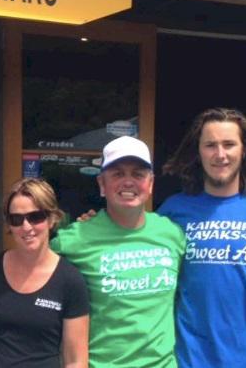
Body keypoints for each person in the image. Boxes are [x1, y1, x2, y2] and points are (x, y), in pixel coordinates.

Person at [156, 107, 246, 368]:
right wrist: (99, 224)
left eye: (229, 144)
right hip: (187, 358)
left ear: (243, 150)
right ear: (199, 151)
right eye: (210, 145)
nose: (220, 154)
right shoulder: (173, 210)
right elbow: (135, 248)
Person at [51, 136, 186, 367]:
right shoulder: (72, 240)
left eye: (138, 174)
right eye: (118, 174)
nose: (128, 182)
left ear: (151, 183)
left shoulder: (172, 234)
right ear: (102, 184)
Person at [0, 178, 89, 368]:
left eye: (35, 217)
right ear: (9, 225)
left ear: (52, 219)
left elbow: (76, 360)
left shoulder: (70, 280)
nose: (26, 227)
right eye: (16, 219)